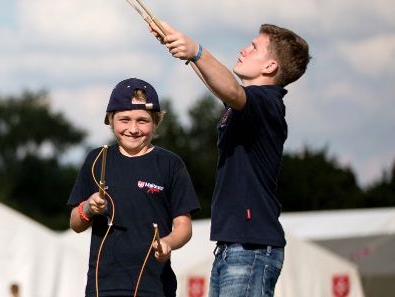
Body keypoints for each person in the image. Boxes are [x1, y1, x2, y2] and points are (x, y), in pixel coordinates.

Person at [150, 21, 311, 297]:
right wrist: (180, 47)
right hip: (234, 247)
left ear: (270, 66)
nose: (243, 50)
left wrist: (196, 51)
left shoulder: (267, 102)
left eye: (254, 47)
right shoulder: (249, 106)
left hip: (250, 248)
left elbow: (233, 91)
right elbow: (223, 89)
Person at [68, 78, 200, 297]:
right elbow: (75, 223)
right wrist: (88, 208)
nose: (133, 129)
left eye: (142, 121)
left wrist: (167, 243)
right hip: (103, 288)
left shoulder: (170, 164)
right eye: (124, 120)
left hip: (155, 288)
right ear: (111, 120)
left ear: (155, 121)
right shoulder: (96, 160)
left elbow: (184, 226)